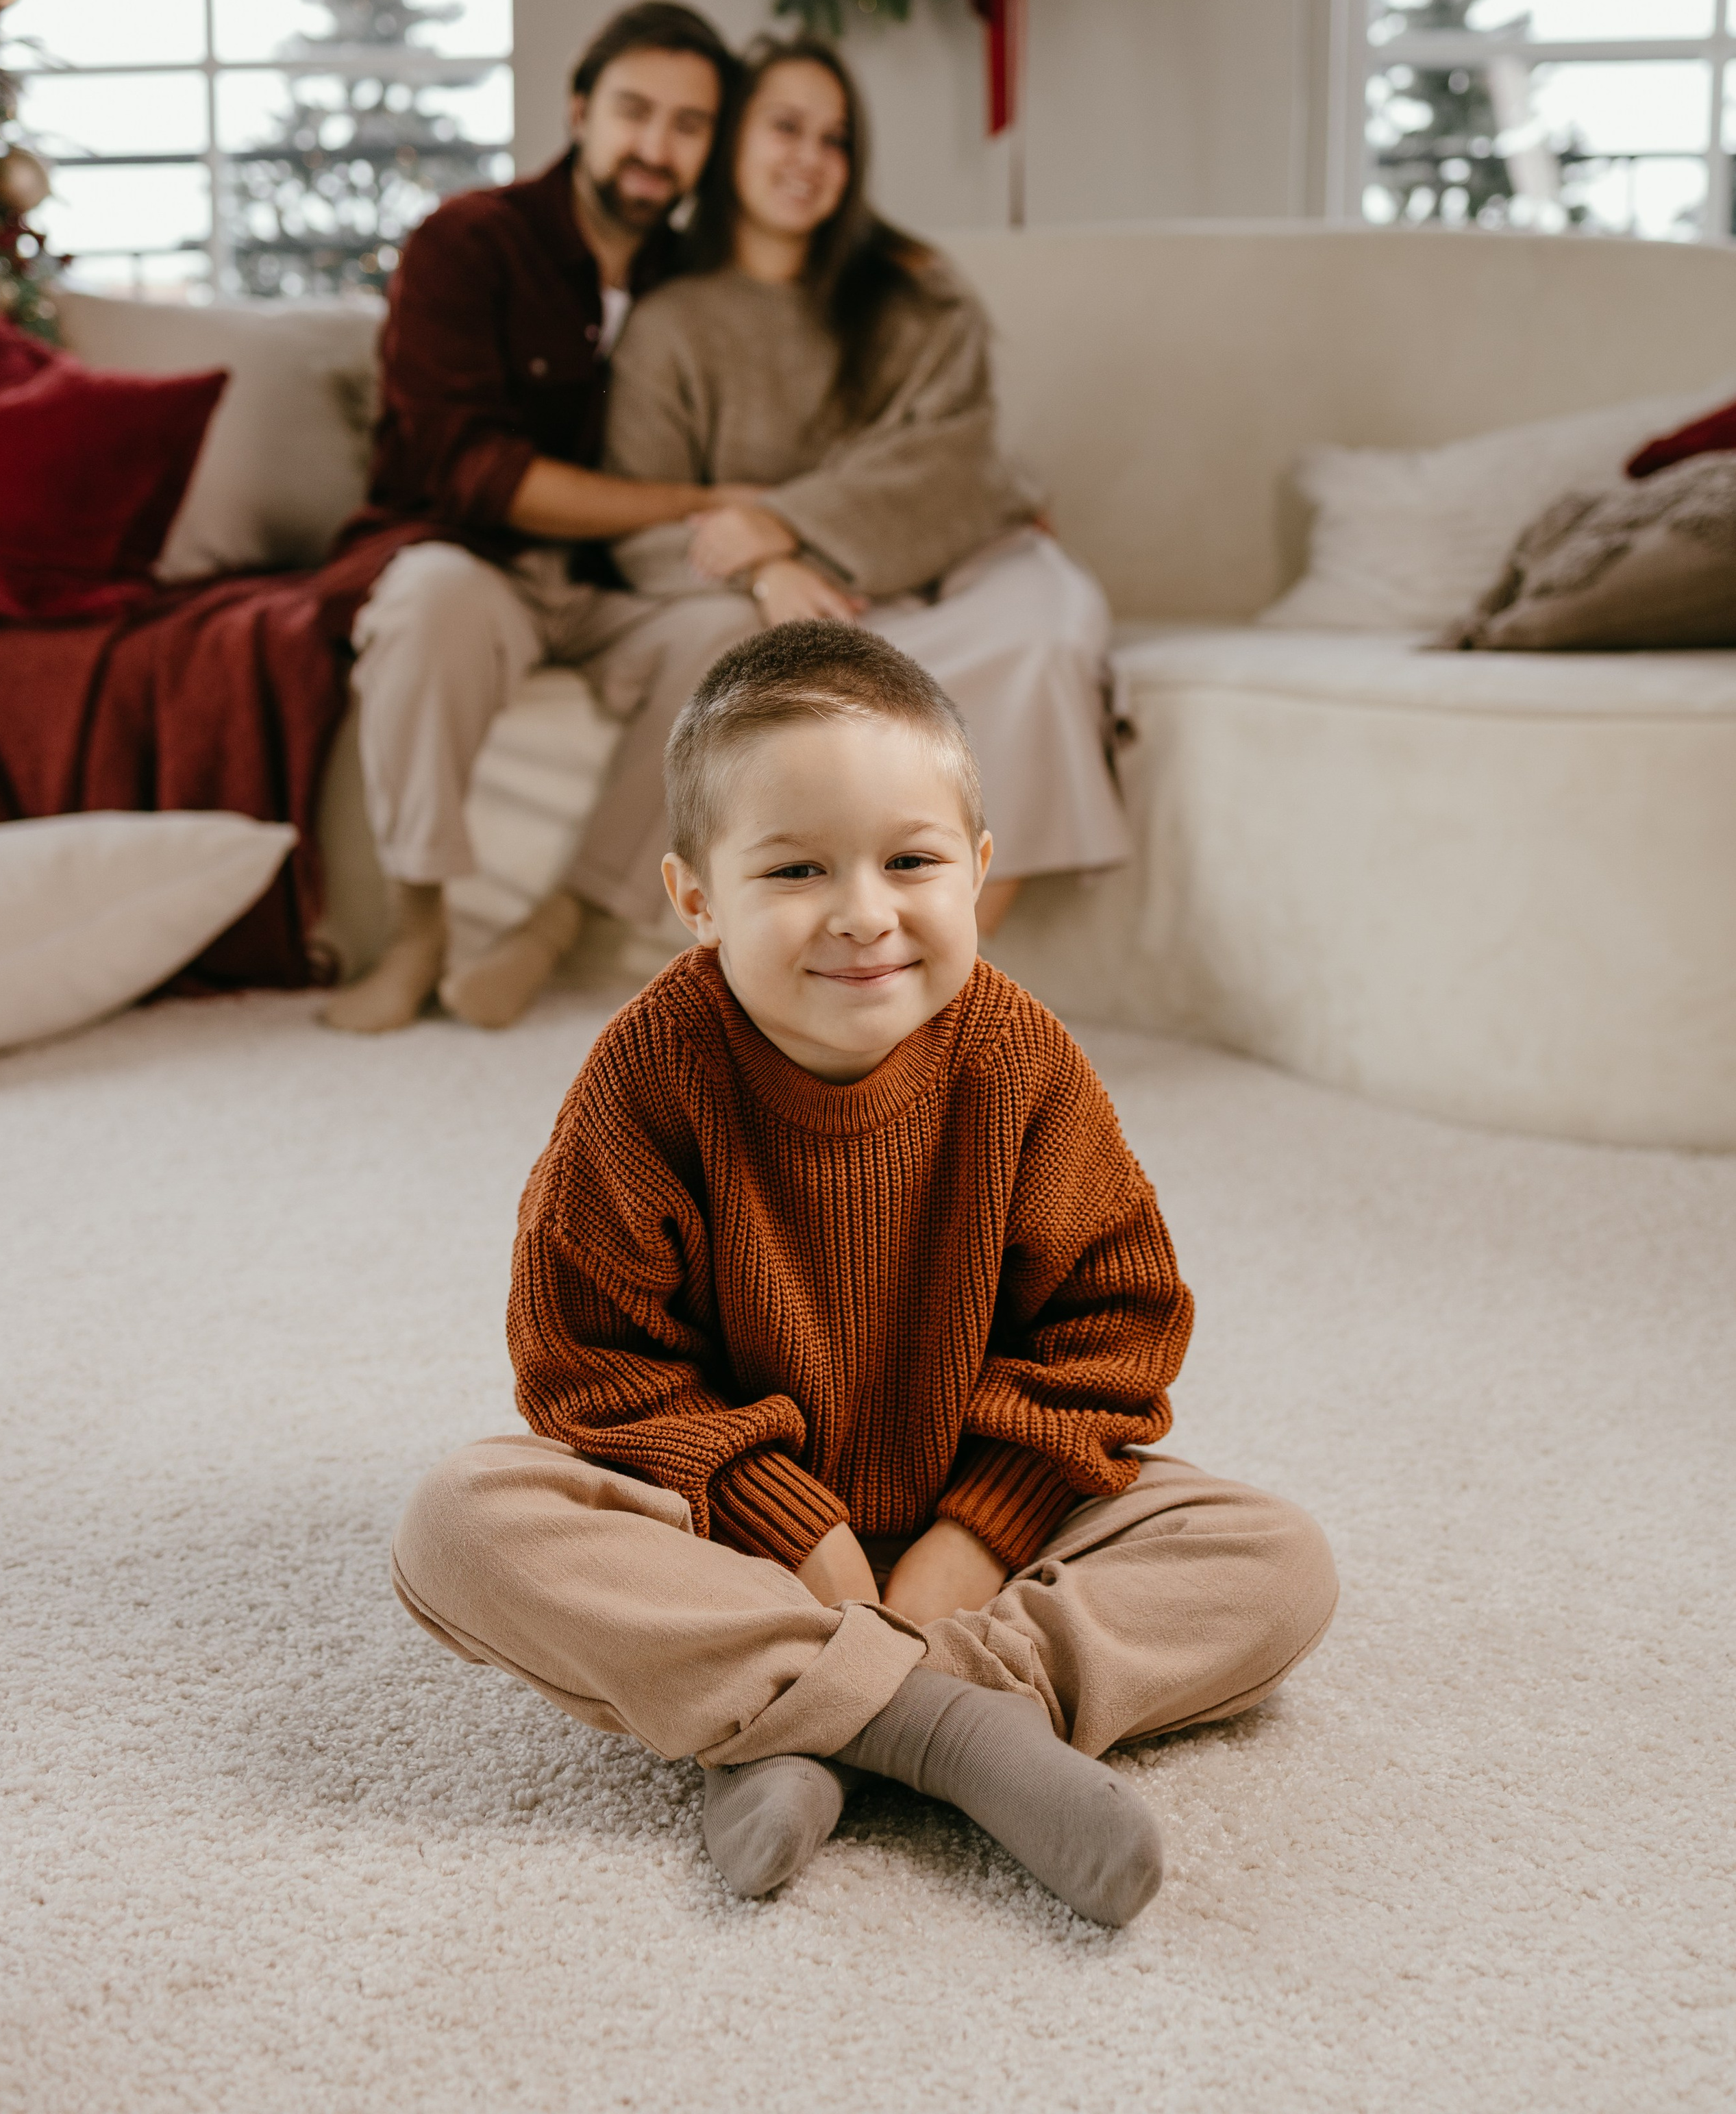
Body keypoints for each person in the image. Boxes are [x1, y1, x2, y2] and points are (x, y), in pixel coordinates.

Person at [391, 625, 1337, 1922]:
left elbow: (1113, 1329)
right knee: (464, 1522)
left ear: (979, 871)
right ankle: (956, 1734)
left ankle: (796, 1725)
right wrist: (799, 1531)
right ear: (697, 898)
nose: (863, 912)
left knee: (1273, 1560)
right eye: (794, 868)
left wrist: (973, 1535)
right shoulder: (650, 1073)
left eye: (912, 861)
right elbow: (592, 1363)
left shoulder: (1023, 1063)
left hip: (981, 1521)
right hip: (729, 1538)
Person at [600, 34, 1132, 938]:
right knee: (861, 703)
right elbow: (649, 523)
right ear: (732, 140)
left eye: (835, 138)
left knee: (1045, 647)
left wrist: (782, 519)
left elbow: (956, 457)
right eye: (786, 128)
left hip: (980, 559)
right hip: (835, 600)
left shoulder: (915, 288)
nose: (810, 158)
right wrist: (767, 570)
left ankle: (939, 1002)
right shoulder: (670, 325)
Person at [324, 0, 768, 1037]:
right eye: (634, 111)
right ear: (579, 107)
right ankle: (418, 927)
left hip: (625, 586)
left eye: (689, 125)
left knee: (738, 640)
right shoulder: (468, 242)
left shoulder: (704, 284)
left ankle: (552, 927)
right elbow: (477, 473)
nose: (656, 148)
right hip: (478, 558)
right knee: (427, 604)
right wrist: (701, 502)